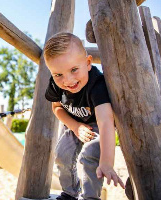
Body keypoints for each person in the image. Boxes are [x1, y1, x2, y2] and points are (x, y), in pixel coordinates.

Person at [44, 32, 124, 200]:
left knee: (90, 156)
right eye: (58, 74)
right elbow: (57, 107)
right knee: (61, 155)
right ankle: (69, 193)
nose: (68, 81)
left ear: (88, 63)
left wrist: (107, 163)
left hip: (97, 122)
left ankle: (90, 197)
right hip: (74, 122)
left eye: (74, 70)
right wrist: (75, 126)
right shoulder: (56, 84)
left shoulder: (97, 84)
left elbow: (106, 122)